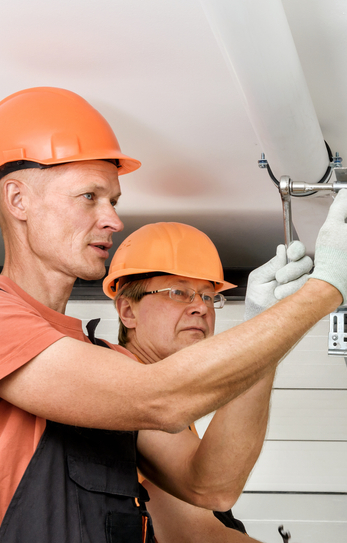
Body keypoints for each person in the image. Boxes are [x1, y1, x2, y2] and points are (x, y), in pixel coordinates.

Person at [0, 87, 347, 543]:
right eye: (89, 197)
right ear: (18, 200)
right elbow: (159, 398)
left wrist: (266, 329)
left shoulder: (105, 361)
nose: (113, 220)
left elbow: (212, 485)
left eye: (113, 201)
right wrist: (328, 286)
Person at [102, 221, 307, 543]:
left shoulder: (172, 408)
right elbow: (197, 530)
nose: (200, 307)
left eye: (209, 297)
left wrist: (262, 335)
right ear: (128, 311)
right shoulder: (117, 381)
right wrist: (266, 336)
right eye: (178, 292)